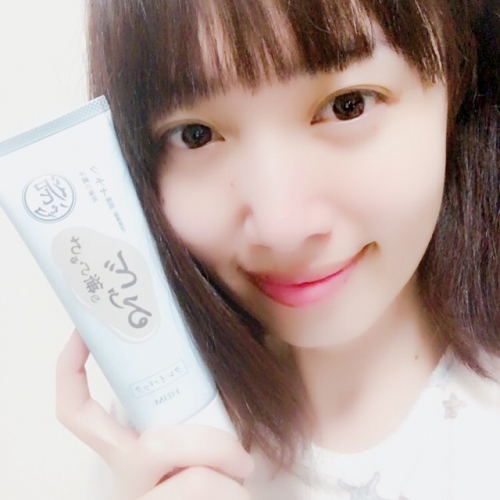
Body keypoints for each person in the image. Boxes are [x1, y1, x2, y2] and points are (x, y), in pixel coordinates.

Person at [56, 0, 500, 498]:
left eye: (348, 105)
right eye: (195, 136)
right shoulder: (165, 440)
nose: (279, 227)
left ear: (461, 80)